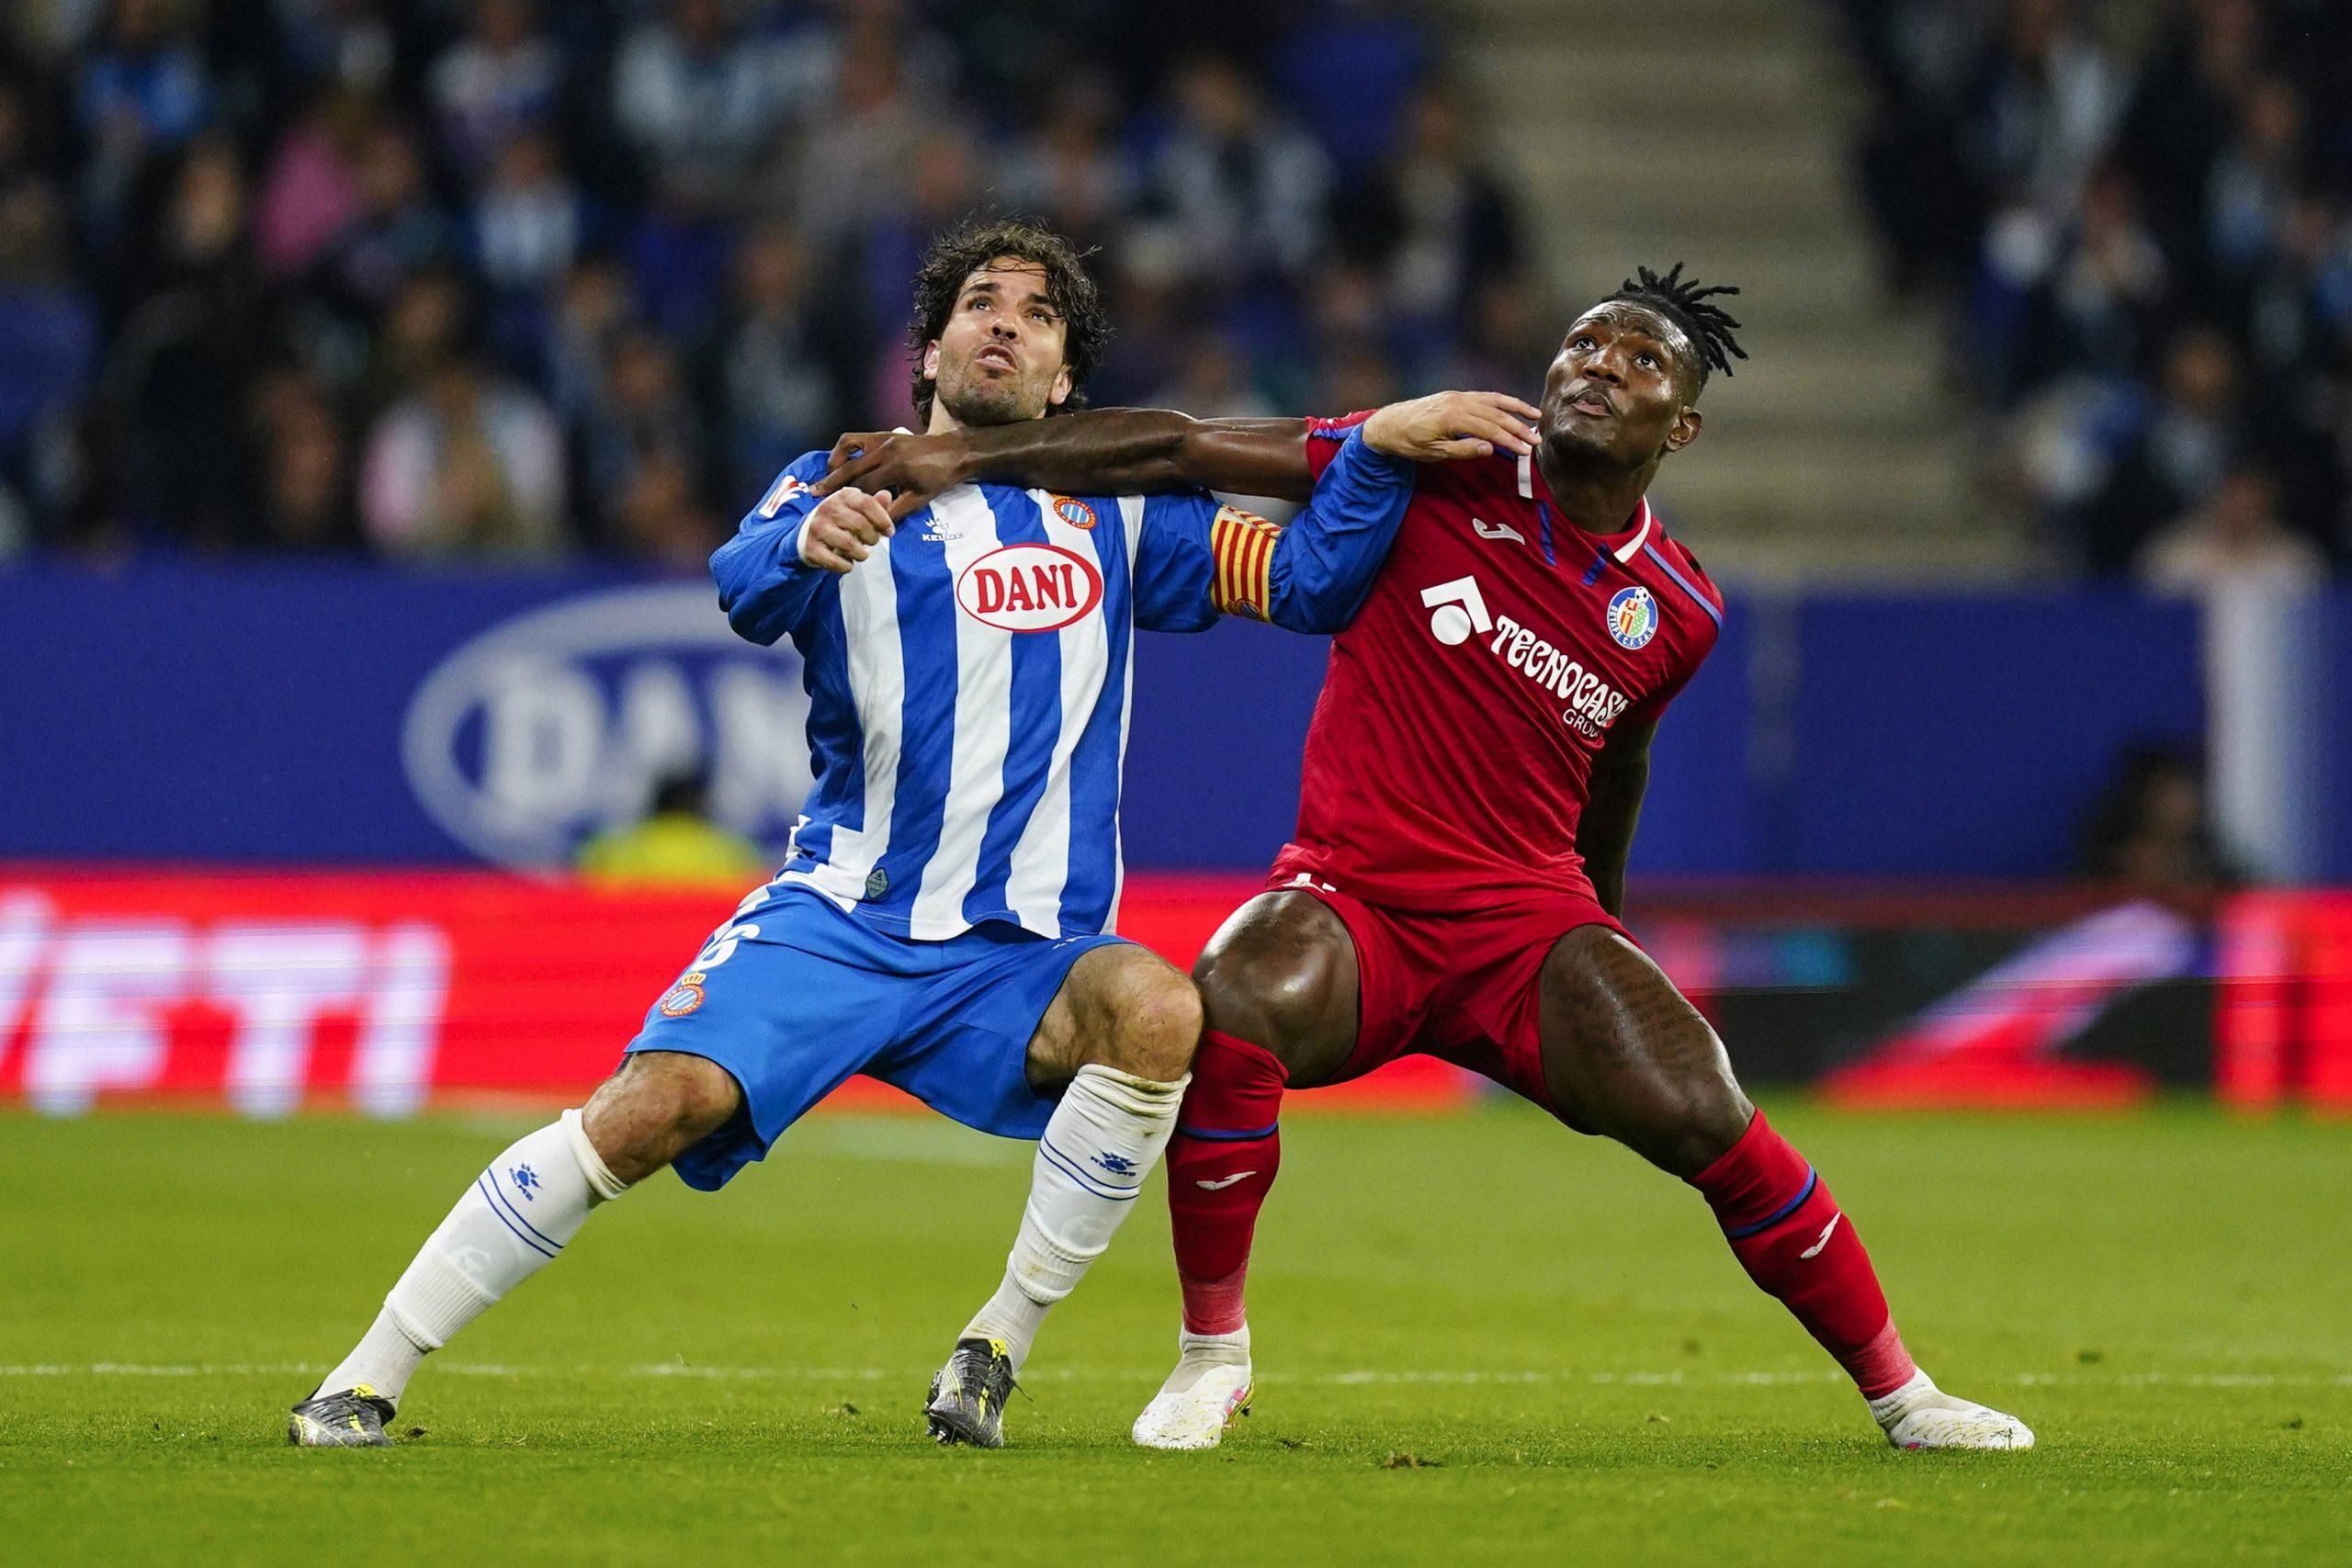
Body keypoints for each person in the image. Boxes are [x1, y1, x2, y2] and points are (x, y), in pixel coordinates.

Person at [289, 217, 1511, 1450]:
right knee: (654, 1106)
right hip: (845, 919)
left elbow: (1307, 582)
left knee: (1159, 1010)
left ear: (1065, 380)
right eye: (982, 302)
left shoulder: (1121, 518)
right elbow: (744, 581)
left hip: (1026, 954)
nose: (1005, 325)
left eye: (1038, 317)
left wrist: (1377, 452)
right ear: (927, 352)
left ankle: (994, 1348)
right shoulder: (852, 475)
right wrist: (809, 541)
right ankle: (365, 1375)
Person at [817, 264, 2039, 1454]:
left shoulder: (1679, 610)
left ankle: (1905, 1394)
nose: (1600, 366)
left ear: (1686, 425)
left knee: (1704, 1106)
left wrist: (1598, 930)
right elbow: (1181, 450)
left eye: (1639, 358)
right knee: (1232, 1001)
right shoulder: (1437, 455)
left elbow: (1618, 765)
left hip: (1527, 928)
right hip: (1356, 904)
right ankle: (1211, 1359)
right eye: (1584, 343)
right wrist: (953, 458)